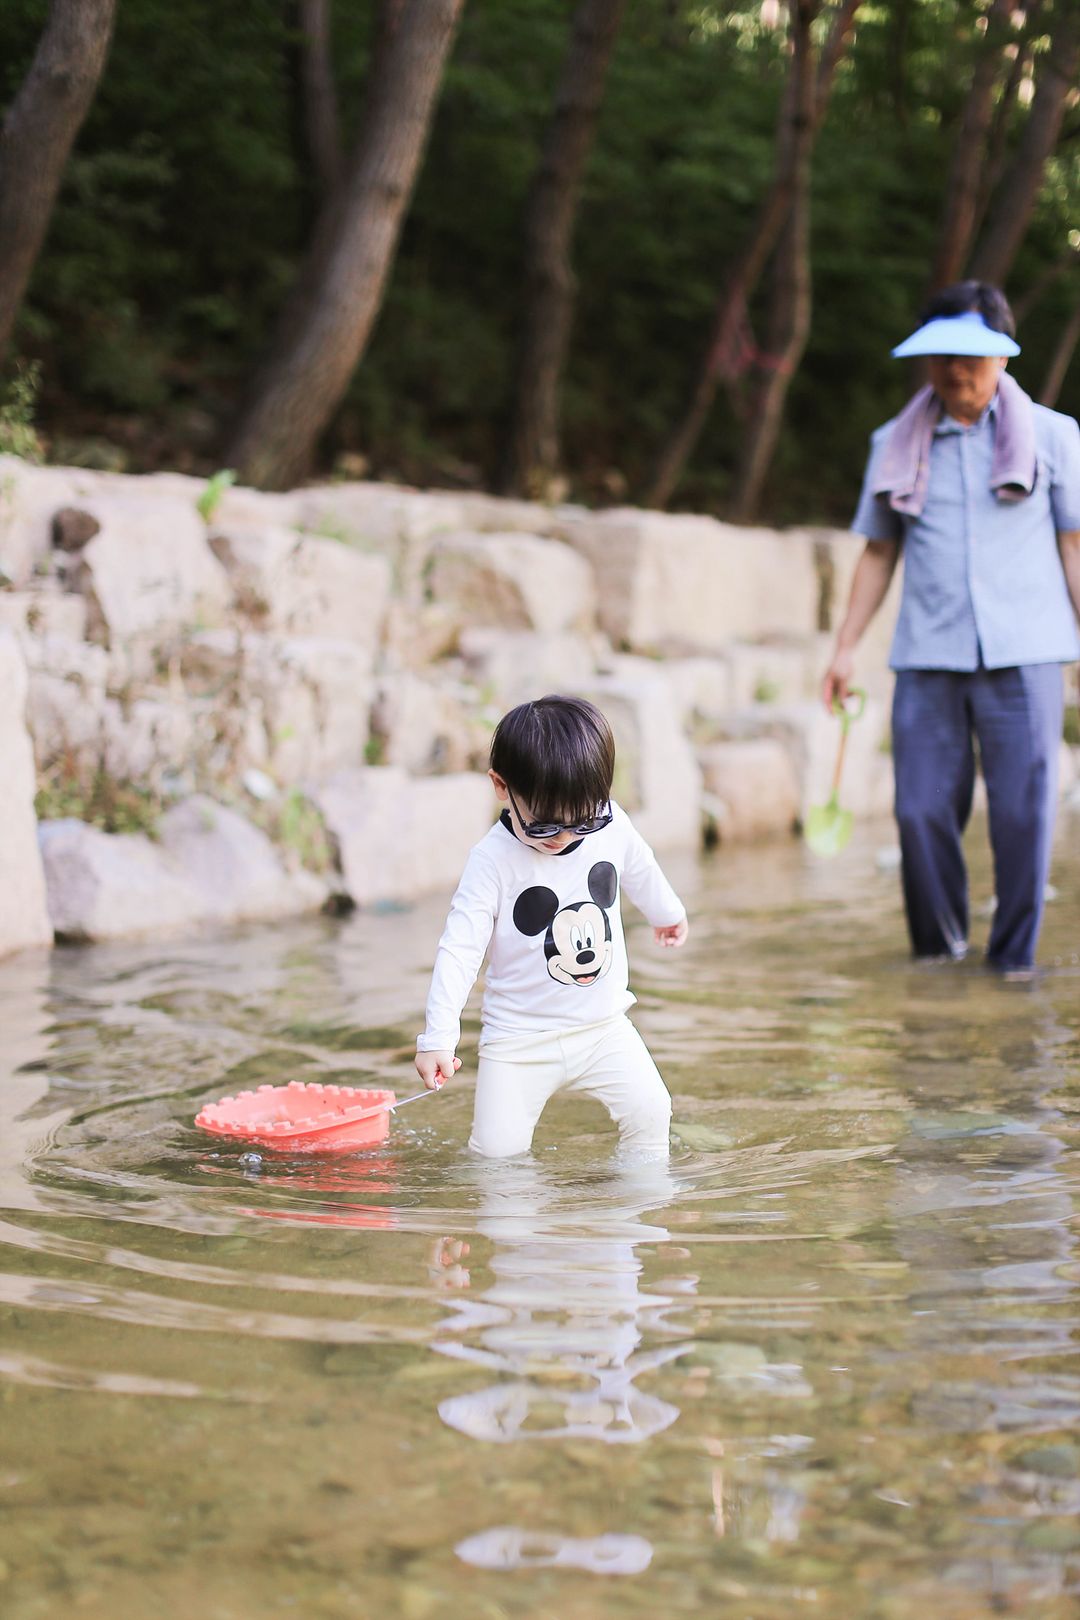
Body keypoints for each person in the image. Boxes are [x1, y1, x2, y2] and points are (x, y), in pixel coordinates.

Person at [823, 281, 1080, 977]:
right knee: (918, 813)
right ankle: (938, 958)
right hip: (927, 657)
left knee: (1024, 819)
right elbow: (878, 551)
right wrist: (844, 647)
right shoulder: (894, 443)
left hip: (1026, 653)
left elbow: (1074, 546)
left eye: (969, 355)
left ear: (1001, 358)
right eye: (939, 355)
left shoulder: (1057, 437)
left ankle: (1014, 966)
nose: (952, 369)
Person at [414, 694, 688, 1156]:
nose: (566, 837)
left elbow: (639, 867)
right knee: (497, 1155)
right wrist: (438, 1036)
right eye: (544, 827)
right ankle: (511, 1224)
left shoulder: (612, 826)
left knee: (651, 1111)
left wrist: (668, 912)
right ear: (501, 786)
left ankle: (634, 1219)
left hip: (603, 1027)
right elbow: (460, 949)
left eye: (585, 820)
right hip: (518, 1041)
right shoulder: (492, 862)